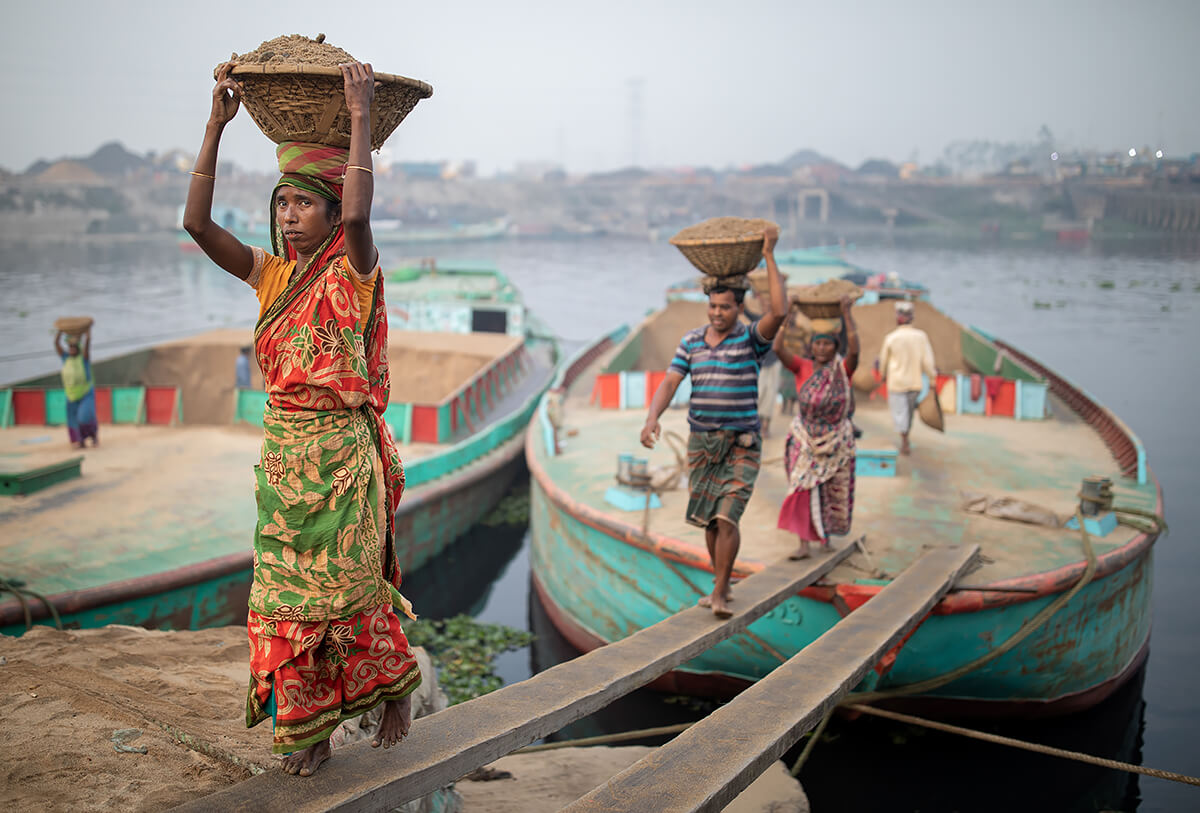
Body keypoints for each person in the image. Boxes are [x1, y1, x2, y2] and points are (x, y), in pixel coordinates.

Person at [183, 61, 420, 777]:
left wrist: (357, 116)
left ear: (327, 211)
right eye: (281, 203)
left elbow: (357, 215)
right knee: (285, 602)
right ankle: (310, 730)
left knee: (347, 593)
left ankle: (394, 689)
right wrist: (215, 126)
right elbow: (195, 224)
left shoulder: (356, 268)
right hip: (286, 465)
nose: (289, 214)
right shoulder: (271, 276)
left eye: (301, 204)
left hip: (343, 464)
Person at [640, 227, 787, 618]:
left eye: (725, 307)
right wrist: (652, 417)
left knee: (727, 515)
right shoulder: (690, 342)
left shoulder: (752, 340)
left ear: (739, 307)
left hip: (742, 444)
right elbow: (671, 380)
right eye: (713, 307)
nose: (718, 313)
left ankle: (720, 591)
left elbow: (780, 313)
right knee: (708, 522)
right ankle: (721, 582)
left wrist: (769, 256)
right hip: (701, 443)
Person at [773, 296, 859, 559]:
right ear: (811, 347)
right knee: (800, 488)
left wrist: (847, 314)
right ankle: (803, 543)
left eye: (827, 344)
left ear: (835, 347)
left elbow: (855, 352)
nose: (822, 348)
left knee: (830, 490)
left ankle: (826, 538)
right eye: (818, 343)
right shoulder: (802, 366)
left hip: (835, 438)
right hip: (804, 438)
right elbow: (777, 348)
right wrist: (788, 316)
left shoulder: (842, 370)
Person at [878, 300, 936, 455]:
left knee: (900, 413)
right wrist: (932, 379)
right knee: (908, 414)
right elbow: (928, 361)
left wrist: (882, 375)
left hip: (897, 383)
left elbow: (883, 360)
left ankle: (904, 440)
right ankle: (906, 437)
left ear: (898, 318)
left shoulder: (891, 338)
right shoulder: (921, 337)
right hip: (915, 383)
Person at [54, 327, 98, 449]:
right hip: (71, 394)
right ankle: (80, 442)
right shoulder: (65, 358)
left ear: (78, 348)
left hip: (85, 392)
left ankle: (93, 435)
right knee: (73, 419)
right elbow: (56, 344)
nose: (72, 349)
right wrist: (60, 331)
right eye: (70, 348)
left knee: (85, 417)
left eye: (74, 347)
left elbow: (87, 345)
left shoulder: (84, 359)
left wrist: (87, 336)